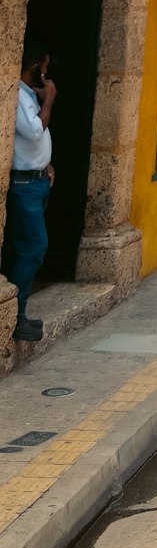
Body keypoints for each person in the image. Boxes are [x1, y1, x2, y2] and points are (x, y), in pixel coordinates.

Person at [6, 38, 56, 342]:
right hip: (24, 185)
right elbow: (34, 131)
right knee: (34, 246)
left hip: (37, 181)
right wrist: (49, 99)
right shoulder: (17, 96)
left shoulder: (27, 96)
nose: (48, 77)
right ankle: (15, 315)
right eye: (45, 70)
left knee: (25, 246)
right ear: (36, 68)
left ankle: (18, 312)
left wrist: (47, 163)